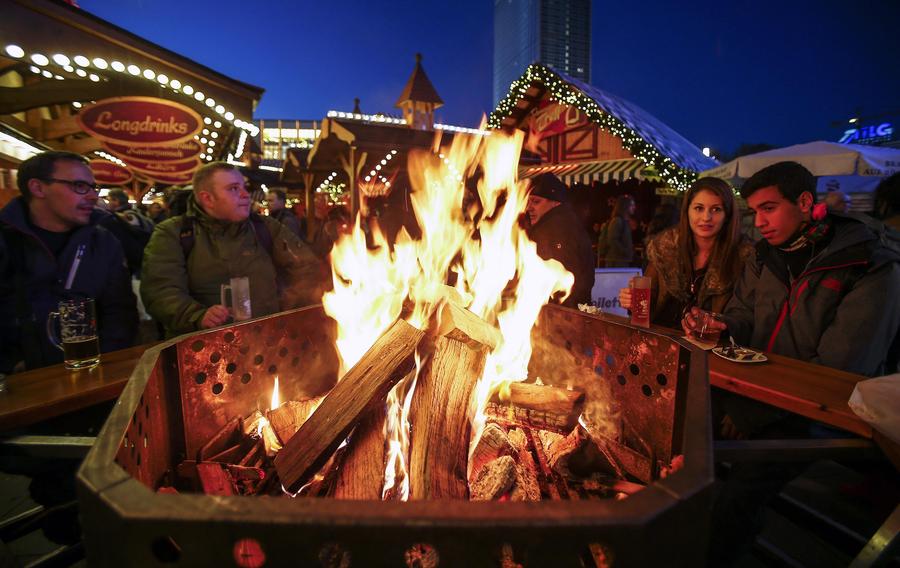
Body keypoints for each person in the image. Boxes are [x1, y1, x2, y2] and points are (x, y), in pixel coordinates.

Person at [685, 161, 900, 378]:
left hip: (816, 404)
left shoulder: (869, 263)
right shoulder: (762, 256)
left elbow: (843, 366)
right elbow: (743, 314)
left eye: (769, 208)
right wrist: (724, 326)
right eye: (754, 211)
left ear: (805, 202)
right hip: (752, 390)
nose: (759, 222)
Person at [140, 162, 324, 338]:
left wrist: (288, 304)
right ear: (208, 198)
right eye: (234, 189)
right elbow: (160, 290)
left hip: (267, 343)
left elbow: (308, 269)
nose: (246, 195)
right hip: (204, 351)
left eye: (244, 187)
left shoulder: (266, 227)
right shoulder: (173, 233)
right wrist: (197, 316)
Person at [0, 151, 138, 373]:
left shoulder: (103, 241)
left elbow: (120, 313)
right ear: (38, 188)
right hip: (19, 388)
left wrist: (107, 365)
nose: (93, 197)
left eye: (94, 187)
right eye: (80, 186)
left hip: (94, 376)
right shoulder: (5, 242)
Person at [618, 177, 753, 328]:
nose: (706, 217)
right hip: (662, 343)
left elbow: (745, 318)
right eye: (699, 208)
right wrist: (632, 302)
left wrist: (723, 323)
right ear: (687, 211)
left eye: (716, 209)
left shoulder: (743, 257)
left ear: (727, 215)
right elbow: (647, 306)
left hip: (711, 348)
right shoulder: (664, 248)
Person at [524, 173, 595, 307]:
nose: (529, 208)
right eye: (528, 201)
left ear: (555, 202)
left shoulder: (556, 228)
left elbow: (566, 279)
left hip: (563, 314)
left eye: (536, 201)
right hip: (570, 311)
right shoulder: (563, 222)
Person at [598, 194, 635, 267]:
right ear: (625, 206)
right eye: (631, 205)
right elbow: (612, 240)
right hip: (616, 261)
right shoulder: (617, 221)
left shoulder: (623, 221)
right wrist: (625, 251)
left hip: (620, 260)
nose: (634, 207)